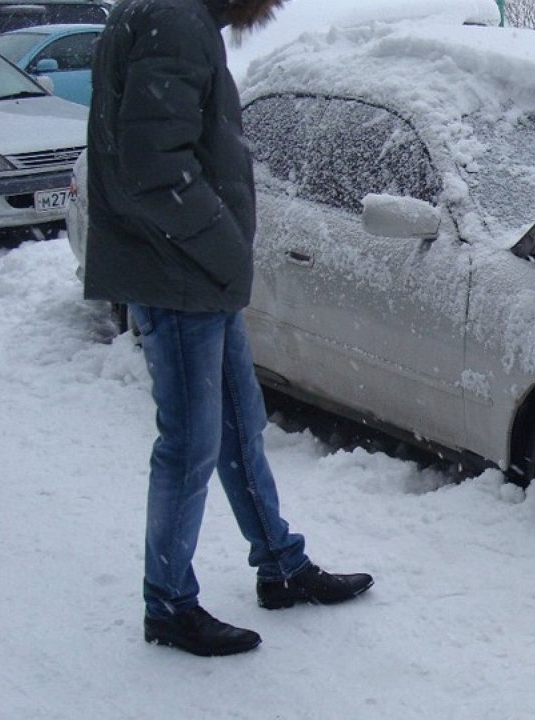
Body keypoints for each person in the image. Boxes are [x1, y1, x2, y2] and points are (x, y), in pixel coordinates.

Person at [85, 0, 374, 657]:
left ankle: (280, 564)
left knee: (240, 426)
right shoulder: (175, 21)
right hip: (180, 274)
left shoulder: (169, 16)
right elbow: (154, 169)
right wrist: (225, 247)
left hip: (190, 274)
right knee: (189, 444)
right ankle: (168, 604)